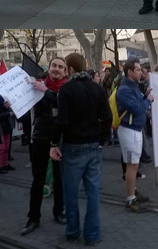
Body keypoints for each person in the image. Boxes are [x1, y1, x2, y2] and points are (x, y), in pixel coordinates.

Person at [50, 53, 110, 245]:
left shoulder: (66, 90)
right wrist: (103, 139)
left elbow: (62, 120)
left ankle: (73, 231)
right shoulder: (97, 88)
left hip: (73, 147)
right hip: (94, 147)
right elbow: (107, 117)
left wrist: (53, 143)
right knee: (93, 193)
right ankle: (92, 234)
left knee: (71, 191)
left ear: (71, 69)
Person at [20, 57, 69, 236]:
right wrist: (15, 106)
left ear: (65, 71)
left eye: (60, 67)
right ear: (49, 68)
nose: (56, 69)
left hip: (60, 140)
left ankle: (59, 211)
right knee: (38, 180)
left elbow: (63, 106)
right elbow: (25, 109)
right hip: (40, 138)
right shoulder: (36, 86)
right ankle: (33, 217)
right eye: (54, 65)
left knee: (59, 178)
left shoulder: (66, 89)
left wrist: (46, 90)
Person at [117, 59, 153, 212]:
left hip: (135, 129)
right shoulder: (125, 89)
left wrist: (145, 97)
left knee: (134, 164)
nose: (141, 72)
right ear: (129, 72)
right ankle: (130, 198)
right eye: (138, 70)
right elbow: (137, 109)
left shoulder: (133, 87)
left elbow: (139, 104)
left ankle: (133, 191)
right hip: (129, 130)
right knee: (132, 165)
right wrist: (148, 100)